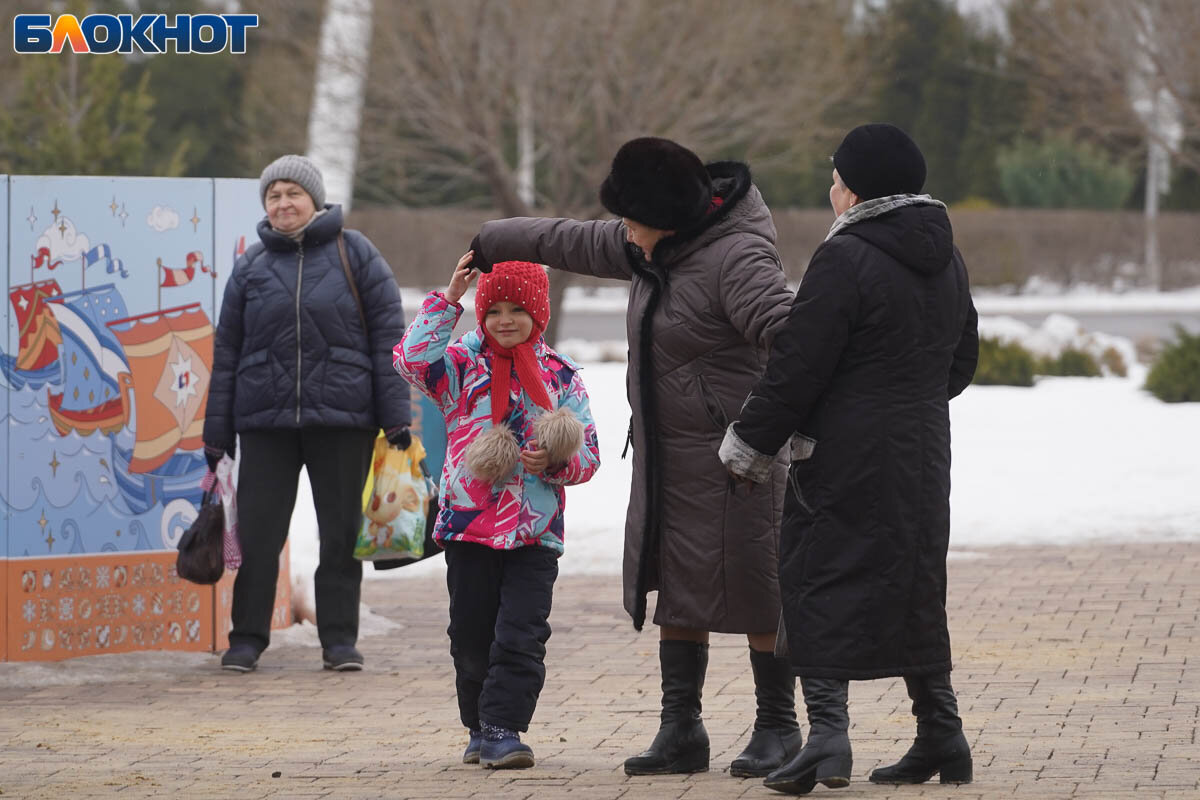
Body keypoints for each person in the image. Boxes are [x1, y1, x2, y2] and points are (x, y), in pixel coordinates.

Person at [468, 137, 797, 777]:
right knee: (676, 588)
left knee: (760, 586)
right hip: (669, 461)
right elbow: (573, 241)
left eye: (632, 223)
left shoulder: (737, 257)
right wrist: (495, 237)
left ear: (668, 219)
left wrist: (759, 430)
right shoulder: (656, 245)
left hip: (739, 465)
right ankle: (681, 731)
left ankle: (778, 727)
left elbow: (794, 342)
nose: (624, 234)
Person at [719, 123, 979, 795]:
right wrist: (905, 401)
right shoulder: (946, 258)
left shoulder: (847, 257)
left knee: (817, 578)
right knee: (914, 586)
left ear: (857, 189)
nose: (830, 188)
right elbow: (961, 362)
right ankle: (941, 735)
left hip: (846, 453)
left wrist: (750, 445)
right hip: (923, 451)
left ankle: (827, 740)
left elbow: (799, 366)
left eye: (836, 177)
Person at [203, 154, 412, 673]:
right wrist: (217, 430)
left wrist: (396, 419)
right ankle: (246, 640)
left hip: (343, 420)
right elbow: (227, 351)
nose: (283, 203)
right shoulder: (251, 265)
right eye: (273, 196)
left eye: (292, 193)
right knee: (257, 536)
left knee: (340, 534)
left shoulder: (355, 252)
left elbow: (389, 338)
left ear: (315, 200)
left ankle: (340, 640)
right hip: (266, 423)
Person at [394, 255, 600, 769]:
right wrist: (450, 299)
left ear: (539, 313)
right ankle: (479, 726)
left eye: (518, 310)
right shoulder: (460, 365)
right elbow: (410, 360)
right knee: (471, 633)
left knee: (521, 633)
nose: (505, 320)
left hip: (535, 534)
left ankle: (505, 728)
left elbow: (589, 455)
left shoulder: (561, 377)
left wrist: (554, 464)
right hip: (469, 527)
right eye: (495, 311)